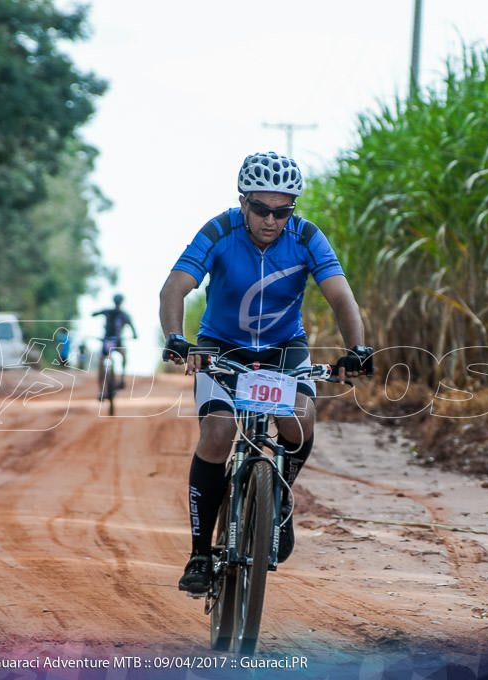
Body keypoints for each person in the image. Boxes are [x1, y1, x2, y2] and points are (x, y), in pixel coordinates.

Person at [159, 151, 373, 597]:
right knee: (218, 434)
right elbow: (175, 286)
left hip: (283, 347)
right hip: (220, 344)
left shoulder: (307, 237)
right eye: (261, 209)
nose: (271, 220)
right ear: (243, 202)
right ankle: (200, 552)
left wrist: (356, 349)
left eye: (282, 210)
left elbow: (341, 297)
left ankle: (278, 499)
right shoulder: (219, 230)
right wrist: (177, 337)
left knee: (300, 419)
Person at [93, 294, 138, 395]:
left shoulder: (109, 312)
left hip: (109, 340)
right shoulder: (123, 315)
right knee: (122, 356)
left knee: (101, 362)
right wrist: (134, 335)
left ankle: (102, 390)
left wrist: (96, 313)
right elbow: (133, 330)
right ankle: (121, 378)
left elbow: (94, 314)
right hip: (117, 341)